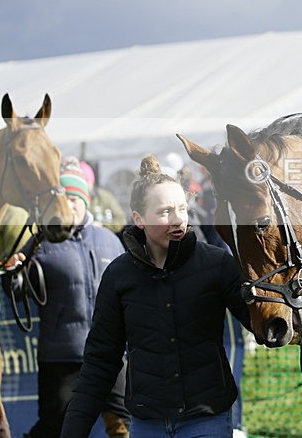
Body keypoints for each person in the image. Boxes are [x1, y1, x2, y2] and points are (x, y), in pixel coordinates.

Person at [60, 155, 252, 438]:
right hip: (147, 423)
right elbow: (101, 360)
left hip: (206, 418)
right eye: (164, 212)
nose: (177, 220)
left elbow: (263, 324)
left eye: (182, 209)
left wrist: (286, 301)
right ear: (139, 219)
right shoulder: (118, 275)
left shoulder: (217, 264)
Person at [3, 157, 130, 438]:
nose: (69, 204)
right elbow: (16, 289)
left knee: (125, 424)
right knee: (55, 428)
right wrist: (15, 271)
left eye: (75, 197)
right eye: (64, 198)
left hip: (110, 353)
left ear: (85, 199)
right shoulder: (40, 241)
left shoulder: (109, 239)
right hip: (62, 356)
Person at [79, 161, 128, 234]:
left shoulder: (105, 197)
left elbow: (121, 219)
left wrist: (102, 225)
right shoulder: (73, 200)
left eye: (86, 180)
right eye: (80, 182)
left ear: (92, 181)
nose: (84, 185)